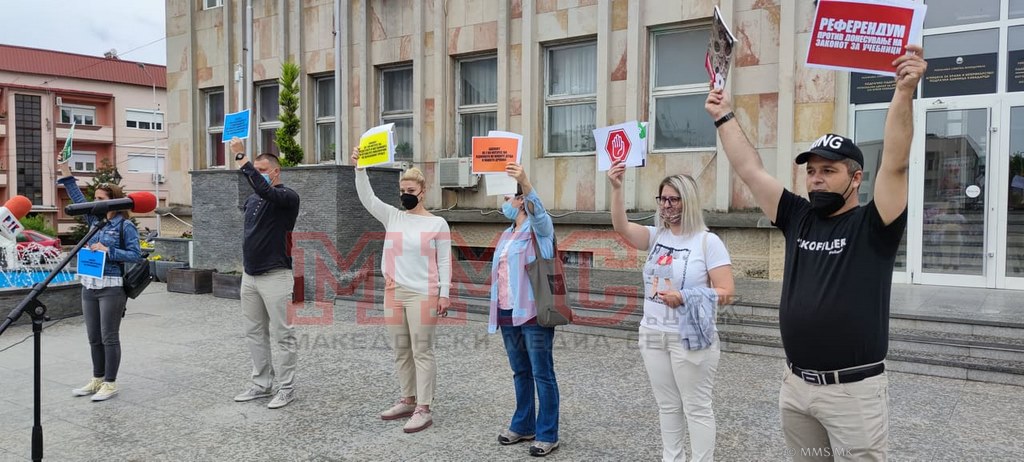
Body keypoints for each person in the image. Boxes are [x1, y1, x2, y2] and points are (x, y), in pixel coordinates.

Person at [704, 45, 927, 460]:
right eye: (811, 171)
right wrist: (724, 115)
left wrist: (903, 91)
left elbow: (895, 163)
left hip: (853, 393)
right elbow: (751, 171)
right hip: (797, 390)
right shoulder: (798, 216)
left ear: (856, 177)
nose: (816, 179)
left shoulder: (874, 223)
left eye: (829, 170)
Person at [607, 163, 734, 462]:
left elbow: (726, 291)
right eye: (662, 199)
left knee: (696, 407)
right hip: (652, 333)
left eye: (674, 199)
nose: (667, 205)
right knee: (667, 405)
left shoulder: (707, 242)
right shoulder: (656, 236)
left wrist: (686, 296)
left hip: (688, 336)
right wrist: (616, 188)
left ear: (687, 201)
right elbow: (621, 227)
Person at [352, 147, 451, 433]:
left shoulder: (437, 224)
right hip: (394, 292)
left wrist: (445, 293)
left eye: (411, 189)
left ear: (422, 191)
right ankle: (408, 399)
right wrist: (360, 170)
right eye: (402, 189)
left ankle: (424, 408)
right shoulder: (393, 217)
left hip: (424, 294)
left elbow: (444, 260)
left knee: (422, 350)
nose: (405, 194)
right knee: (401, 349)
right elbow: (367, 198)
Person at [487, 163, 561, 457]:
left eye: (507, 198)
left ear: (520, 201)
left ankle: (547, 433)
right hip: (507, 311)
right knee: (520, 371)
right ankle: (524, 424)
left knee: (542, 373)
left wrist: (524, 181)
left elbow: (539, 211)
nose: (504, 204)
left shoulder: (539, 228)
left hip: (533, 313)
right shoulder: (507, 233)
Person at [58, 163, 143, 402]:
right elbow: (76, 197)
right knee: (93, 337)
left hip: (111, 286)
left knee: (109, 336)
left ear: (113, 202)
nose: (95, 202)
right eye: (94, 198)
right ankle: (97, 378)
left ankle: (110, 383)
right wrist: (66, 172)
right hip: (89, 284)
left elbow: (136, 255)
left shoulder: (124, 226)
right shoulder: (94, 221)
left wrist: (109, 250)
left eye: (100, 199)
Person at [229, 137, 301, 409]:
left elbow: (266, 190)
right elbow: (257, 191)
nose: (257, 174)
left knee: (283, 334)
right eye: (255, 169)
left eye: (262, 170)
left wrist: (241, 158)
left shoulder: (286, 197)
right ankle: (261, 383)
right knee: (254, 332)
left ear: (275, 171)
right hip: (251, 276)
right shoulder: (252, 200)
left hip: (276, 275)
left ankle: (287, 387)